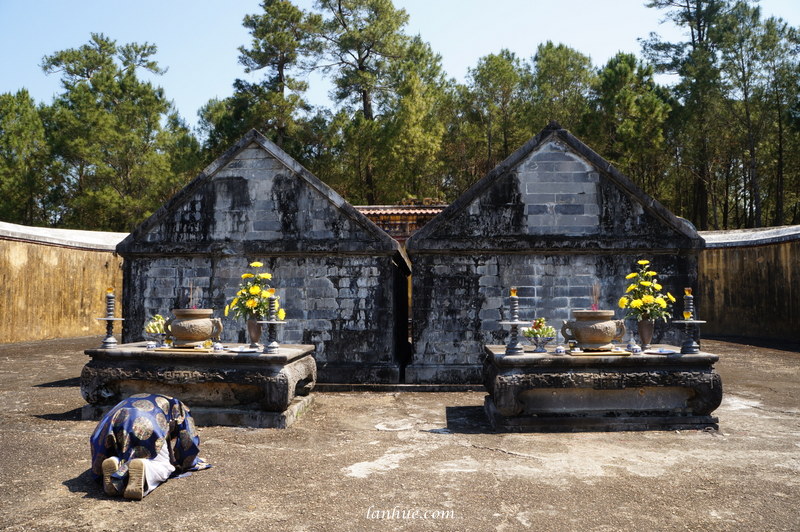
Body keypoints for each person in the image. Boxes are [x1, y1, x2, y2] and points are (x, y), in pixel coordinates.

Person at [89, 393, 211, 500]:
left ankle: (115, 462)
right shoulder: (181, 408)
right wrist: (191, 462)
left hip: (115, 418)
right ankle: (145, 468)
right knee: (165, 467)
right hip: (148, 420)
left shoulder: (162, 402)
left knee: (123, 450)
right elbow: (188, 440)